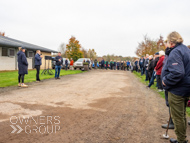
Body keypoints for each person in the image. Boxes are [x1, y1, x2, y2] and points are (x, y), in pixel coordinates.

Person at [162, 31, 190, 143]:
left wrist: (165, 81)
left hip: (177, 89)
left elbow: (178, 73)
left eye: (168, 42)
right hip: (185, 87)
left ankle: (181, 141)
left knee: (178, 117)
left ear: (172, 42)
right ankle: (182, 139)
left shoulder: (175, 52)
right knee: (182, 115)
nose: (167, 45)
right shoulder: (186, 50)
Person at [161, 40, 174, 130]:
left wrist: (167, 79)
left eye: (166, 43)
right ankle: (172, 120)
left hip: (170, 82)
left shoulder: (173, 53)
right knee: (169, 102)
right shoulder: (168, 53)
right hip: (167, 81)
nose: (165, 45)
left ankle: (173, 122)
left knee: (172, 102)